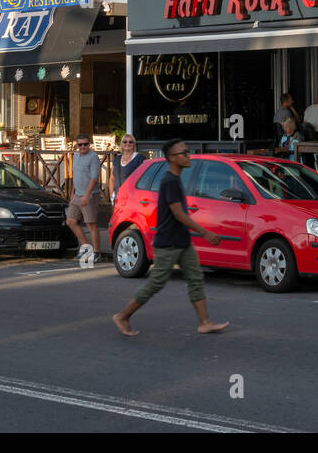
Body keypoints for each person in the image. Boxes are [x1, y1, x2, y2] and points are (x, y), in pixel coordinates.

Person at [113, 139, 229, 337]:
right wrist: (206, 232)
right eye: (183, 153)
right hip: (168, 243)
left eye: (187, 151)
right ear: (172, 158)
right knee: (156, 283)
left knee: (195, 277)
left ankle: (204, 322)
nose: (188, 155)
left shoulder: (176, 179)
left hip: (182, 240)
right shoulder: (169, 181)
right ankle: (123, 316)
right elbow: (179, 214)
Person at [68, 135, 104, 263]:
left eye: (85, 144)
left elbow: (94, 178)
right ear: (76, 145)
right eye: (80, 144)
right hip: (77, 194)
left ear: (89, 144)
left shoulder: (93, 157)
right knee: (71, 221)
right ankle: (86, 248)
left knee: (91, 224)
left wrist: (86, 195)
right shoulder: (75, 156)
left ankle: (97, 252)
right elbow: (75, 176)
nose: (83, 147)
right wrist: (72, 193)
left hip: (90, 195)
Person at [109, 134, 145, 201]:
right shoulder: (117, 159)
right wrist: (111, 196)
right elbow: (112, 178)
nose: (127, 143)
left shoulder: (140, 159)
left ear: (134, 144)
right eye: (125, 142)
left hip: (133, 199)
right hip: (117, 198)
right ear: (122, 144)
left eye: (130, 142)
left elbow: (144, 180)